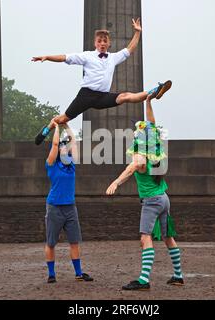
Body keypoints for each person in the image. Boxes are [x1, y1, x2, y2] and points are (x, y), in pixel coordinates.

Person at [33, 18, 172, 145]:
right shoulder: (87, 56)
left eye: (105, 41)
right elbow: (65, 57)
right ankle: (47, 128)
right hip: (86, 95)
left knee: (125, 97)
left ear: (109, 43)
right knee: (63, 119)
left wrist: (137, 32)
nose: (102, 43)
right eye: (99, 41)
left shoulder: (113, 57)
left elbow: (130, 49)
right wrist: (47, 56)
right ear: (95, 43)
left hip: (102, 97)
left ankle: (155, 91)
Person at [106, 95, 184, 291]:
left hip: (152, 201)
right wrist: (148, 102)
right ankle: (178, 275)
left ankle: (143, 280)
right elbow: (151, 124)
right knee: (168, 237)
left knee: (145, 237)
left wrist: (116, 182)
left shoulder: (141, 156)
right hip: (164, 199)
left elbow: (134, 166)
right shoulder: (155, 149)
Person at [44, 121, 93, 284]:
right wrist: (56, 126)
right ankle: (51, 274)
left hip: (70, 207)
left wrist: (66, 126)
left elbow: (74, 141)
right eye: (62, 147)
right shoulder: (51, 164)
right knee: (51, 243)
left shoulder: (71, 164)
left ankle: (79, 273)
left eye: (66, 147)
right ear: (58, 150)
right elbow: (56, 143)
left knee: (74, 241)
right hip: (54, 207)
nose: (65, 148)